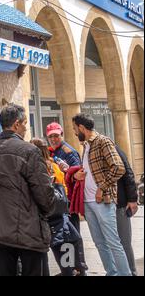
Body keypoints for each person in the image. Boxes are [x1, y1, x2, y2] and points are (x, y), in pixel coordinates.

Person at [0, 103, 55, 276]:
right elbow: (45, 194)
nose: (25, 129)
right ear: (16, 124)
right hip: (28, 231)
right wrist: (46, 210)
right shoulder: (30, 151)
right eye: (24, 124)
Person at [71, 113, 131, 276]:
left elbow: (119, 168)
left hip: (102, 200)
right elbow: (93, 170)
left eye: (75, 129)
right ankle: (111, 272)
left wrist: (101, 188)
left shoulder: (102, 141)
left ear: (82, 128)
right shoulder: (86, 146)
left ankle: (125, 274)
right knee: (99, 243)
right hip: (88, 202)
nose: (75, 132)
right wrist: (79, 175)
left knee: (113, 242)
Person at [30, 138, 84, 276]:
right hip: (61, 222)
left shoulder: (36, 169)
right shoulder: (54, 165)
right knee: (68, 263)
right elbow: (64, 190)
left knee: (43, 263)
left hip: (45, 222)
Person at [46, 121, 88, 275]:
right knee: (65, 237)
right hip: (59, 202)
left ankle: (77, 269)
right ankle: (70, 269)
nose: (54, 139)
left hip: (68, 201)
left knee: (71, 236)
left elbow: (78, 174)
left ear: (61, 134)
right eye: (51, 137)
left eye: (56, 136)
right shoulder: (51, 152)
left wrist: (67, 170)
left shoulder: (68, 152)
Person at [115, 144, 139, 276]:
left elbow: (128, 173)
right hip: (106, 205)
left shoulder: (114, 148)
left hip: (121, 204)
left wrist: (132, 199)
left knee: (124, 241)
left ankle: (132, 272)